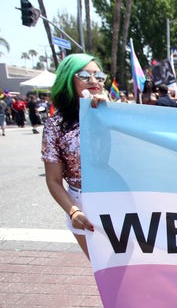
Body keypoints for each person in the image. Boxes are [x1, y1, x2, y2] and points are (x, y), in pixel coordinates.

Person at [41, 54, 102, 259]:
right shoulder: (55, 125)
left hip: (122, 201)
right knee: (105, 272)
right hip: (84, 207)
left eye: (98, 75)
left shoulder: (115, 113)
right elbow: (53, 180)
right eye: (84, 75)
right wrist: (73, 211)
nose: (93, 81)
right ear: (68, 79)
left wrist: (110, 112)